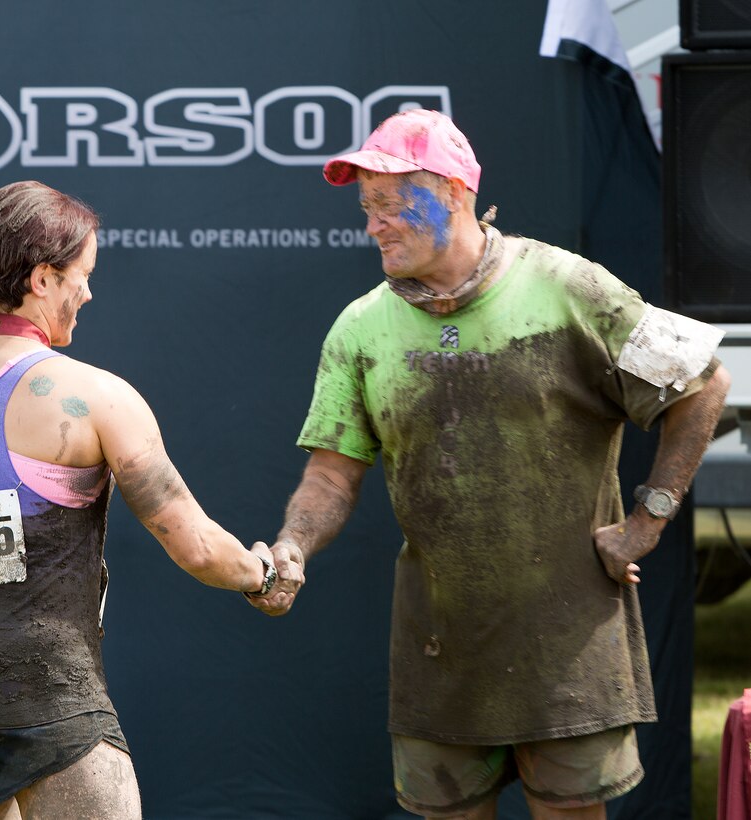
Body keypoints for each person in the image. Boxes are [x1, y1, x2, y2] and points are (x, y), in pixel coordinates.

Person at [246, 110, 731, 819]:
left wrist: (646, 519)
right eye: (365, 208)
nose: (372, 225)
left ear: (451, 193)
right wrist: (292, 547)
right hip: (440, 648)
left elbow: (703, 382)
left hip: (568, 646)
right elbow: (330, 474)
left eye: (387, 204)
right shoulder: (360, 328)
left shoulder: (568, 288)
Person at [0, 180, 297, 820]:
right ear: (43, 279)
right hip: (44, 702)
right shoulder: (97, 397)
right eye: (82, 275)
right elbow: (191, 542)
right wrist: (262, 574)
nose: (89, 292)